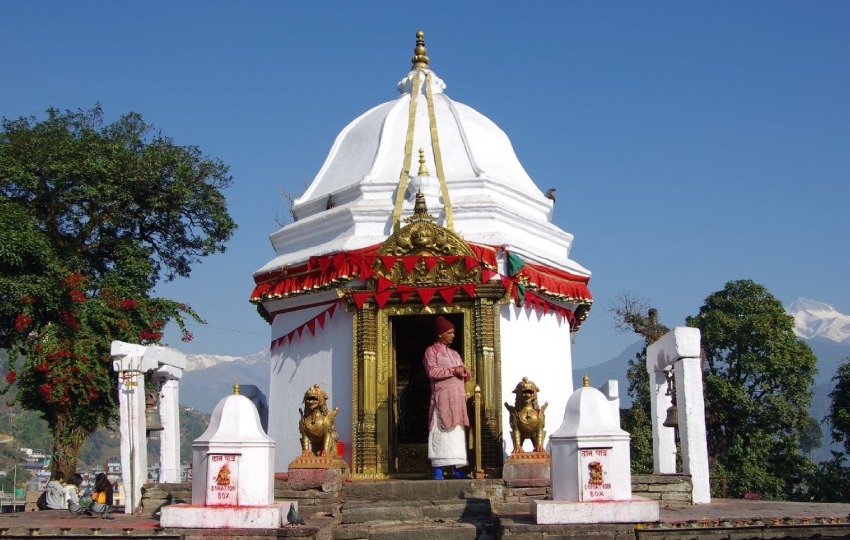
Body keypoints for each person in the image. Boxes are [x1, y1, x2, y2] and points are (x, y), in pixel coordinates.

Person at [423, 316, 470, 480]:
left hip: (457, 399)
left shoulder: (455, 353)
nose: (453, 335)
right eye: (450, 333)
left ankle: (457, 468)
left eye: (453, 333)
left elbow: (465, 371)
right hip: (441, 399)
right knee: (440, 431)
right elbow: (432, 372)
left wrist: (463, 371)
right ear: (440, 334)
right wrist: (452, 371)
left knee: (456, 433)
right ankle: (438, 469)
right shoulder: (431, 351)